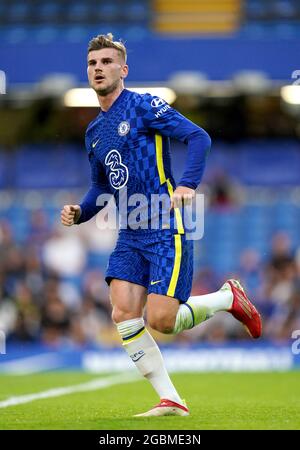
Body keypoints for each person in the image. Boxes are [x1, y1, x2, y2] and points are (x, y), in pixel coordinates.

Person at [61, 33, 262, 417]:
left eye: (106, 62)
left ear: (123, 69)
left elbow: (197, 137)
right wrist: (80, 212)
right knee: (122, 312)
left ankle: (227, 298)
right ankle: (171, 399)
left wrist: (187, 184)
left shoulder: (144, 105)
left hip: (163, 223)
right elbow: (100, 187)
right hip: (129, 230)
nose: (98, 69)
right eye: (92, 63)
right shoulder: (93, 133)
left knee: (162, 321)